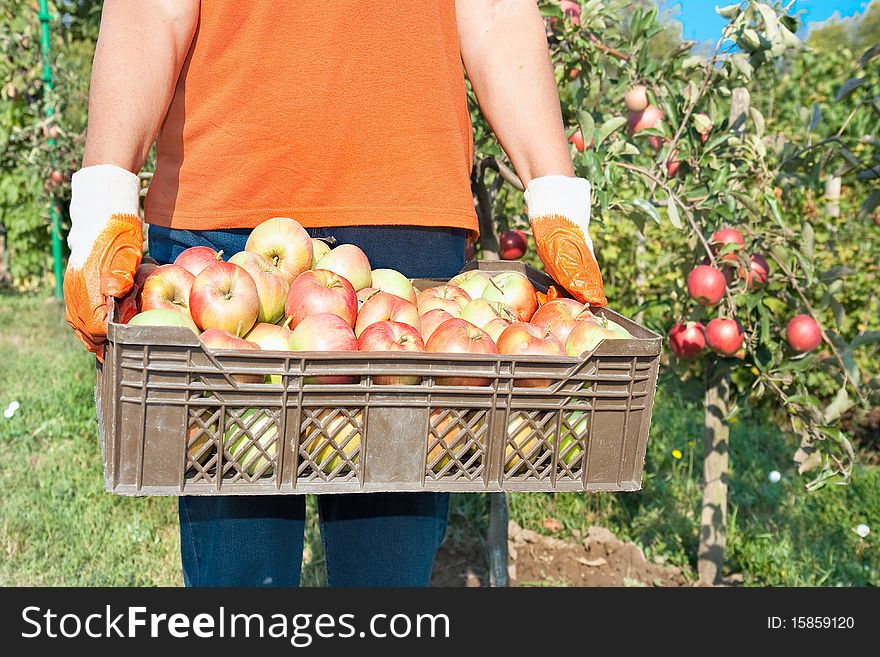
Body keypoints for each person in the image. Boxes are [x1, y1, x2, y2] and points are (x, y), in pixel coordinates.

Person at [62, 0, 606, 587]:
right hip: (225, 226)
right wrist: (103, 199)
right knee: (239, 574)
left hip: (405, 234)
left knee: (389, 576)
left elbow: (495, 11)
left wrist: (555, 198)